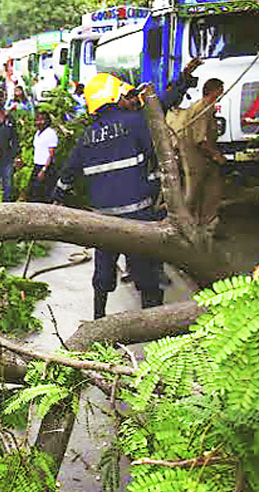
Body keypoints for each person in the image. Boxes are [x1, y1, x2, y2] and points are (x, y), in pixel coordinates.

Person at [53, 73, 164, 319]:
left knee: (103, 272)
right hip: (138, 214)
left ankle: (98, 320)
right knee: (145, 270)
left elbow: (68, 172)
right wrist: (155, 189)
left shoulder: (86, 137)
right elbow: (156, 156)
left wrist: (57, 196)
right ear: (114, 96)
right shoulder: (135, 122)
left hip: (104, 219)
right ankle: (155, 324)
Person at [176, 78, 227, 226]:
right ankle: (189, 227)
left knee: (208, 192)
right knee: (194, 194)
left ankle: (204, 225)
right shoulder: (202, 108)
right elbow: (201, 141)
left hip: (201, 159)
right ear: (214, 91)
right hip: (196, 160)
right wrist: (217, 156)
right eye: (220, 90)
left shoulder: (205, 107)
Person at [28, 111, 58, 202]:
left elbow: (51, 154)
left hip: (46, 167)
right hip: (37, 165)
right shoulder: (37, 134)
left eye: (41, 120)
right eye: (37, 120)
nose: (39, 122)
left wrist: (44, 169)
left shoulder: (50, 133)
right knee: (33, 193)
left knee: (44, 194)